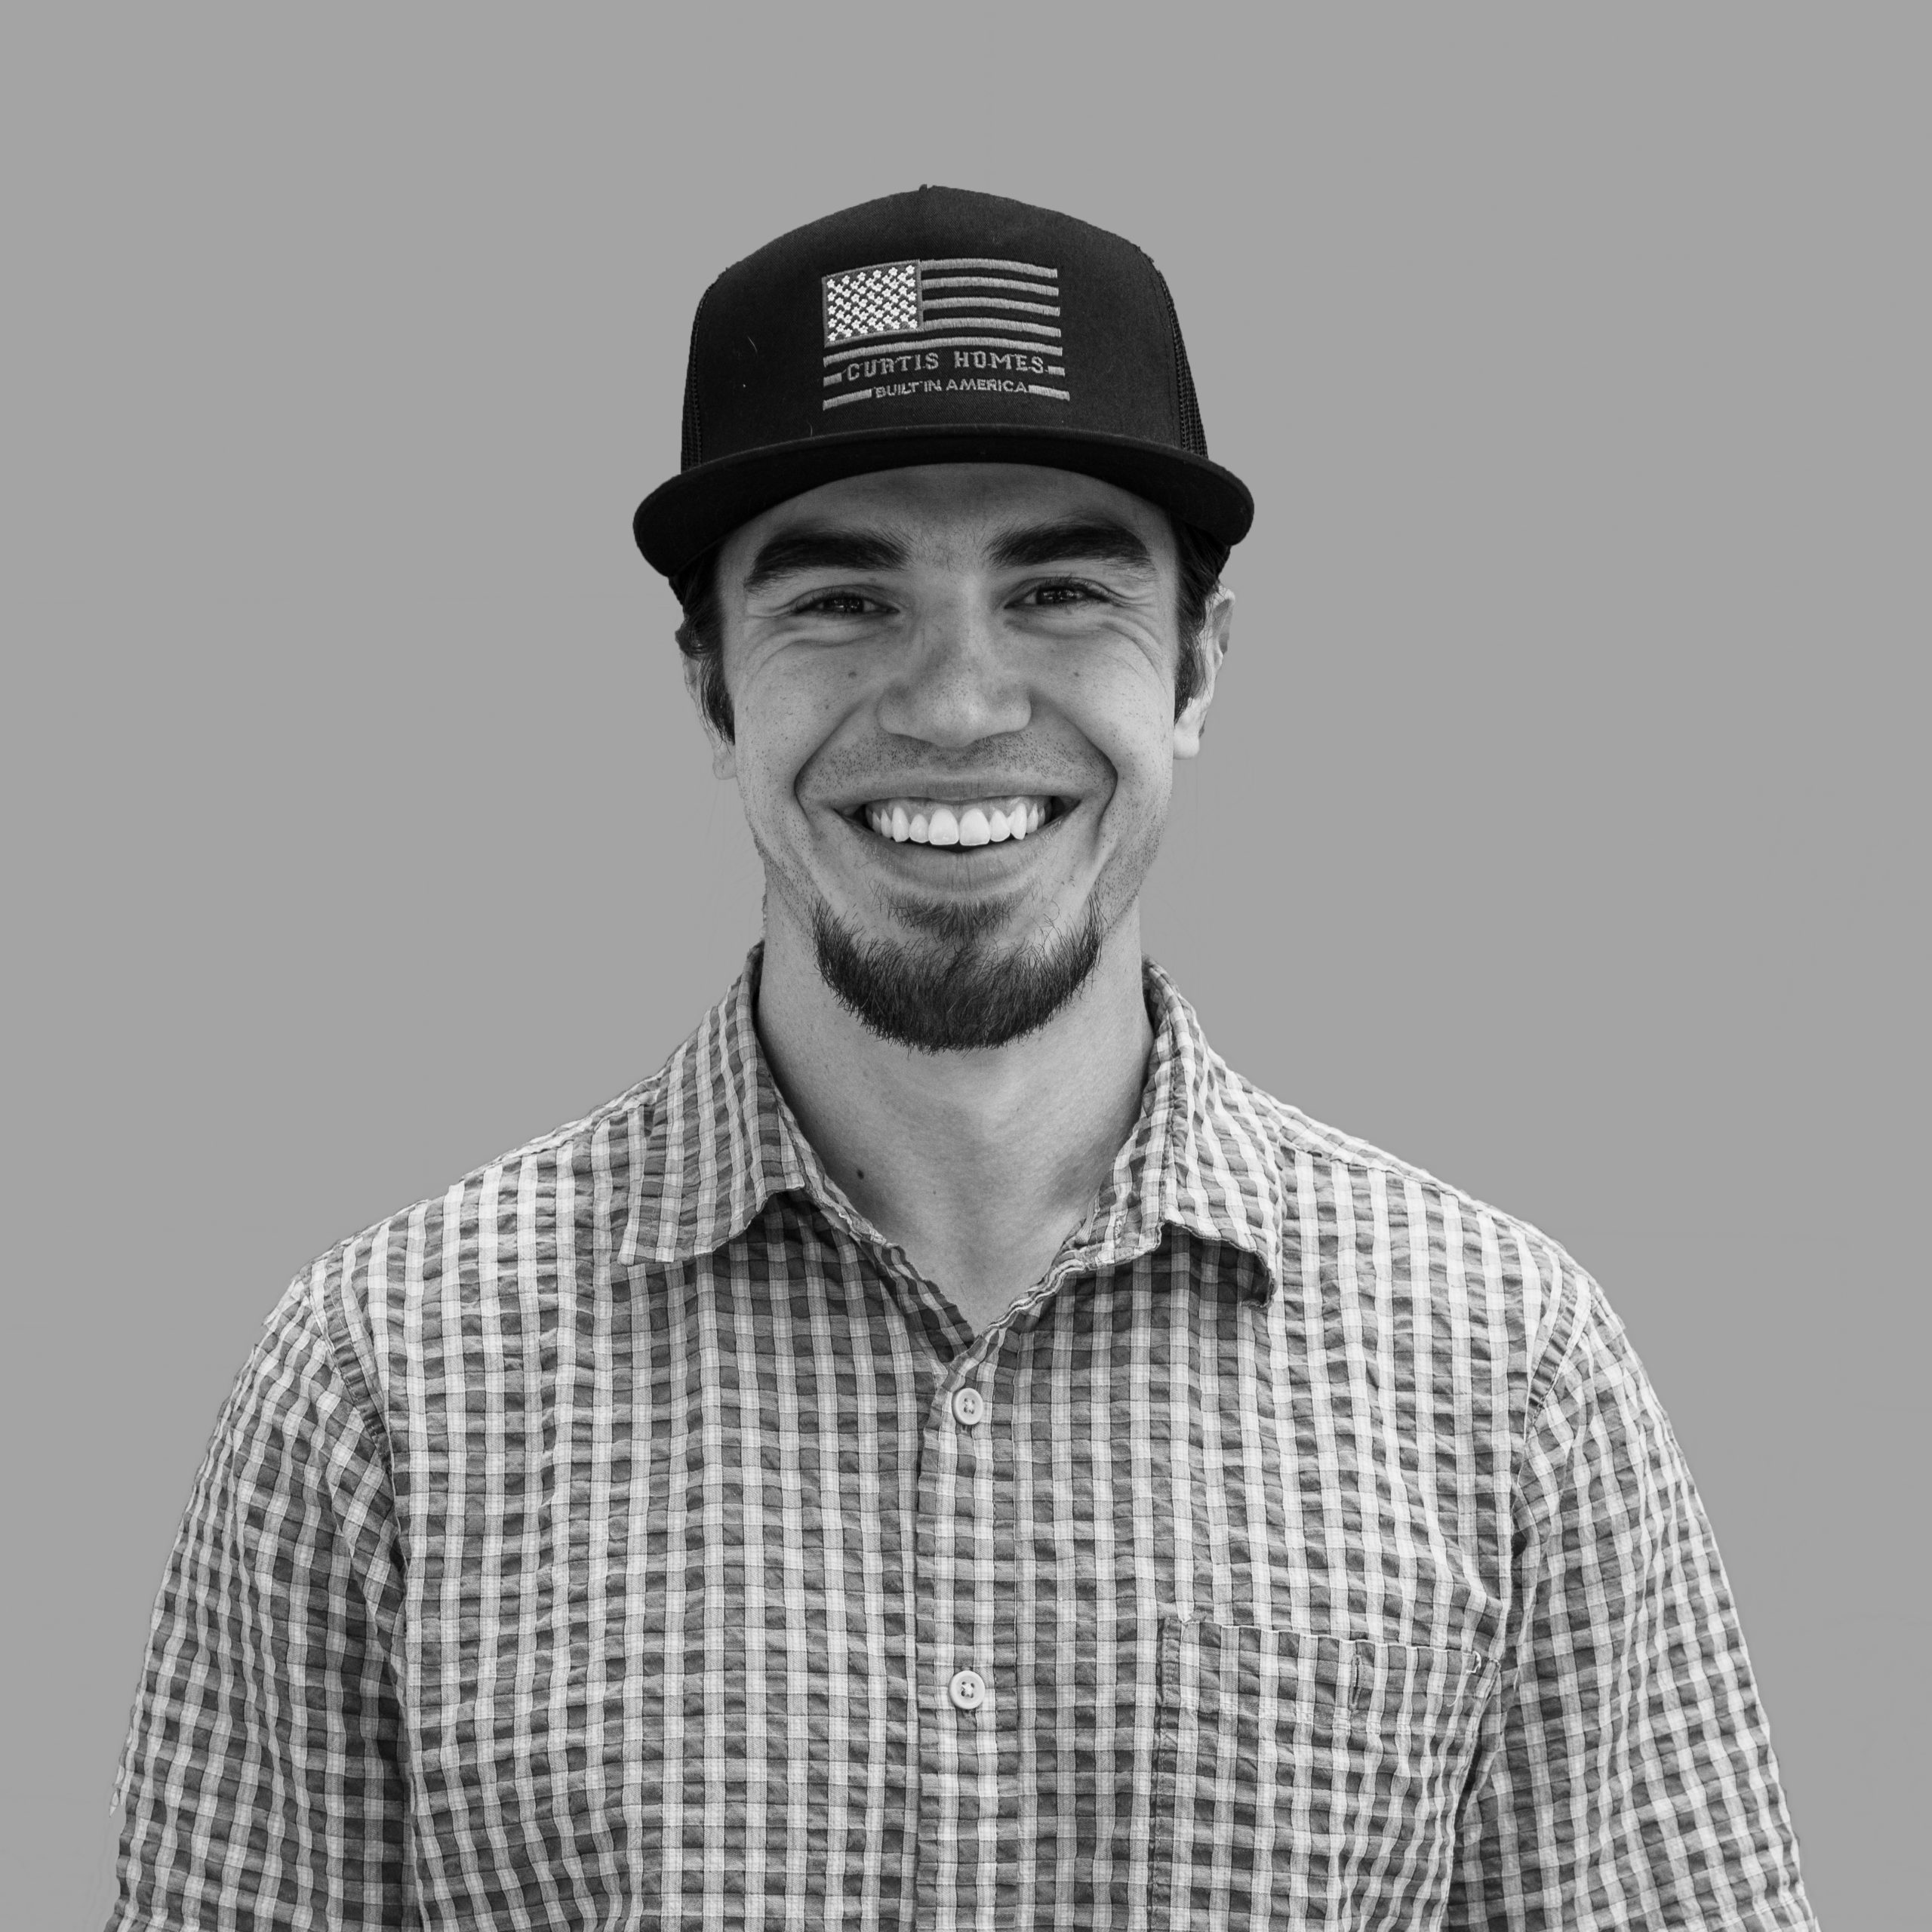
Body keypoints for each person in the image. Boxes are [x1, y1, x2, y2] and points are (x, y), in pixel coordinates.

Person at [107, 186, 1818, 1930]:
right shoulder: (382, 1382)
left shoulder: (1506, 1372)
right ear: (708, 684)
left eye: (1059, 589)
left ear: (1198, 665)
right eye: (841, 597)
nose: (953, 703)